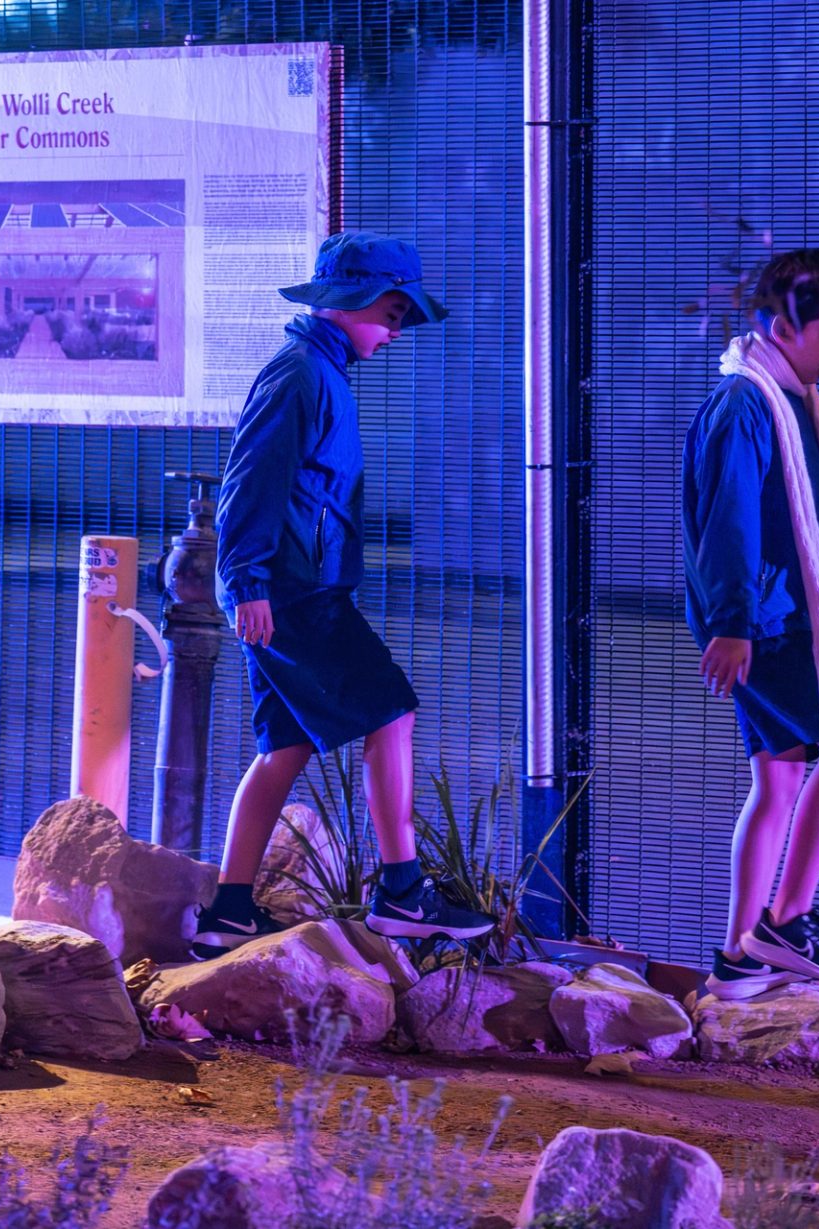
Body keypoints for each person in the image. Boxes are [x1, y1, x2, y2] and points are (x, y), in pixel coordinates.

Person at [192, 232, 495, 959]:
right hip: (296, 594)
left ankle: (228, 911)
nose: (396, 332)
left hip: (289, 587)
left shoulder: (318, 371)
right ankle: (402, 892)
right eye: (392, 314)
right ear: (351, 300)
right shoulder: (301, 375)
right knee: (392, 709)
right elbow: (249, 484)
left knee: (284, 747)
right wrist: (247, 583)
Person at [683, 248, 819, 1000]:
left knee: (779, 774)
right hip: (766, 622)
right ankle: (786, 919)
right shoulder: (745, 402)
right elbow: (729, 519)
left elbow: (788, 497)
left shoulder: (785, 392)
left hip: (772, 610)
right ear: (782, 327)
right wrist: (733, 623)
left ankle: (739, 958)